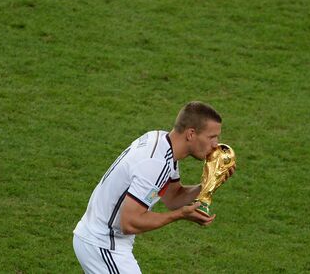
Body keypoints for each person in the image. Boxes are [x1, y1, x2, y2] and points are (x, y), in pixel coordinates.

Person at [73, 101, 236, 273]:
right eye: (212, 137)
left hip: (101, 239)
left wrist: (209, 183)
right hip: (103, 245)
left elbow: (173, 198)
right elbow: (129, 223)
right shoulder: (156, 164)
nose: (215, 145)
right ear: (191, 134)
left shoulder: (162, 143)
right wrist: (179, 215)